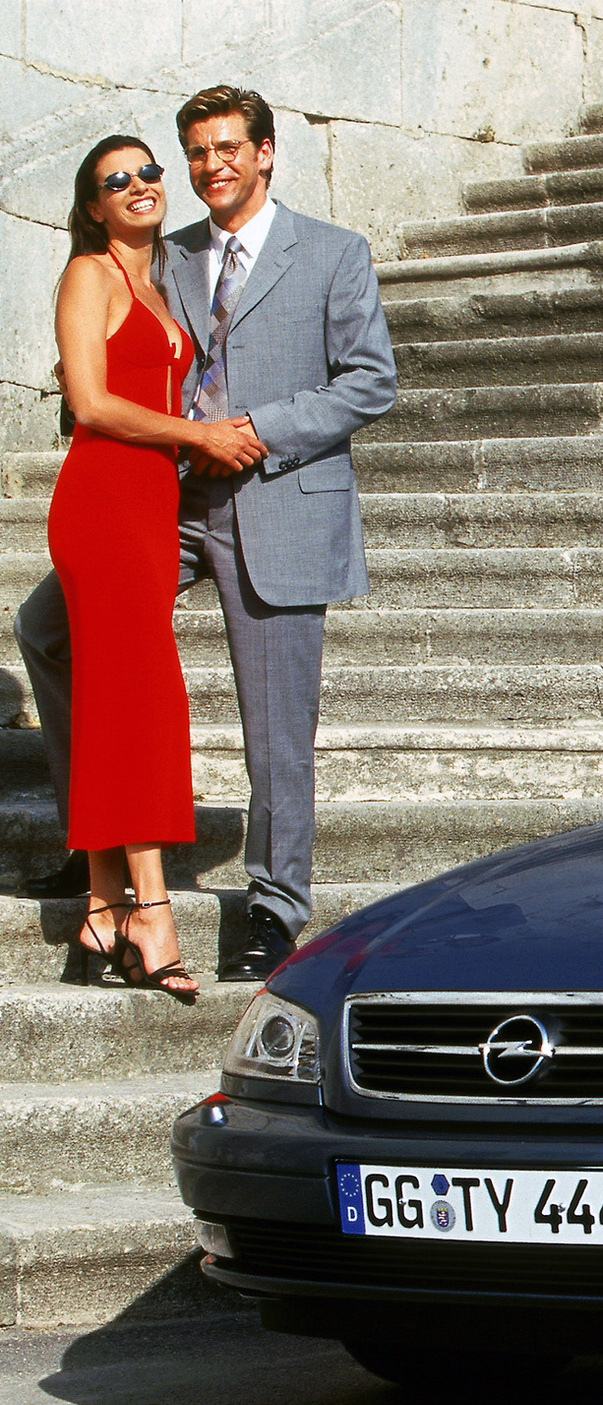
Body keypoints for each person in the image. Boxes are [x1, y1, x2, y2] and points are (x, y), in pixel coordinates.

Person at [16, 86, 398, 983]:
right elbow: (113, 361)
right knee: (47, 631)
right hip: (172, 501)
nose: (210, 165)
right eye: (196, 152)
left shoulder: (333, 253)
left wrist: (256, 430)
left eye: (228, 148)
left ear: (265, 153)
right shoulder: (169, 253)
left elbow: (369, 381)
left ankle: (275, 902)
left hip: (275, 494)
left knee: (275, 721)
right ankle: (98, 838)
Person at [46, 136, 271, 999]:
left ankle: (104, 907)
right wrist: (198, 435)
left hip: (149, 505)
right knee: (141, 700)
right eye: (117, 180)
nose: (139, 185)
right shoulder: (89, 274)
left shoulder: (162, 276)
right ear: (92, 206)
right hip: (103, 502)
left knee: (120, 699)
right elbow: (90, 402)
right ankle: (152, 909)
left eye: (148, 171)